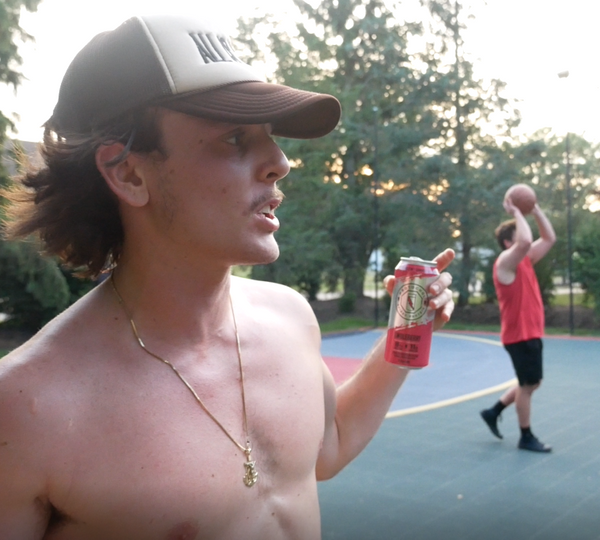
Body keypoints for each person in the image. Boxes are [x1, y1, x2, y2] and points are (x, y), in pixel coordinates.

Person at [0, 14, 455, 540]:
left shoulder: (291, 317)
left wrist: (406, 331)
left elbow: (326, 447)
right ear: (128, 173)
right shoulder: (28, 408)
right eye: (236, 138)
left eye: (270, 136)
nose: (280, 162)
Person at [480, 193, 555, 453]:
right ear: (507, 242)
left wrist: (535, 209)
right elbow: (524, 241)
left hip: (529, 332)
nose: (526, 237)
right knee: (527, 386)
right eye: (519, 232)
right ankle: (526, 436)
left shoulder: (526, 260)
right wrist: (516, 212)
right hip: (519, 335)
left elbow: (549, 238)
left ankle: (493, 411)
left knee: (532, 383)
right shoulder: (505, 263)